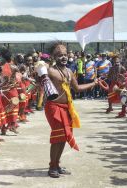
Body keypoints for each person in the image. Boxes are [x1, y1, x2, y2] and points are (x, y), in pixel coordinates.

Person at [44, 43, 100, 178]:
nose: (63, 57)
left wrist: (94, 83)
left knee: (64, 136)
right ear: (54, 57)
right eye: (59, 55)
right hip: (53, 107)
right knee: (58, 135)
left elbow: (77, 88)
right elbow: (38, 80)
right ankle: (52, 166)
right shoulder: (50, 71)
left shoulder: (69, 72)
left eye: (64, 54)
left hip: (66, 107)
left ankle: (56, 164)